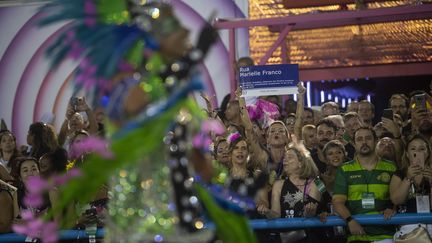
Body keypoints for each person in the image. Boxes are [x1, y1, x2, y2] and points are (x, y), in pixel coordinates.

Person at [333, 127, 396, 243]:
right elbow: (337, 202)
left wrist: (393, 209)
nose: (364, 142)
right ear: (353, 144)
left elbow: (398, 199)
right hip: (357, 236)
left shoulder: (391, 167)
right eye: (359, 139)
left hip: (385, 235)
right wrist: (350, 220)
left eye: (368, 138)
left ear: (376, 141)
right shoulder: (344, 169)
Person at [265, 143, 321, 243]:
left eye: (289, 157)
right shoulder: (278, 184)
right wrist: (267, 212)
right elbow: (276, 214)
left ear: (300, 163)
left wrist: (309, 213)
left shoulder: (315, 184)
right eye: (284, 158)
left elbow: (319, 210)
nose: (285, 160)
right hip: (283, 238)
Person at [390, 134, 432, 214]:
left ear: (427, 153)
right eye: (413, 149)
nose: (417, 152)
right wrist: (408, 178)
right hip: (407, 223)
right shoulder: (399, 173)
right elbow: (396, 200)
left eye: (422, 149)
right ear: (407, 154)